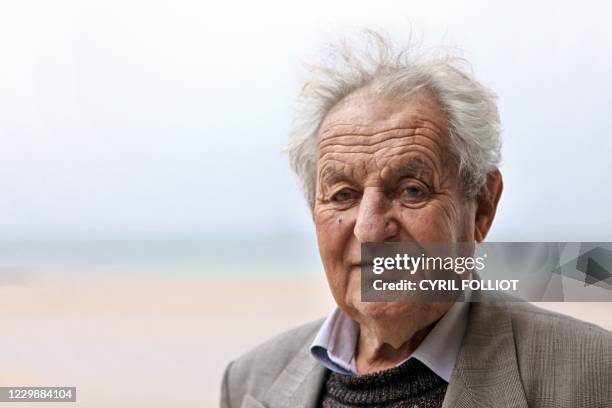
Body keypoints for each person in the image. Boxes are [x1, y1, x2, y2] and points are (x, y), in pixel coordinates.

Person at [220, 31, 612, 408]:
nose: (370, 228)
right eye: (343, 195)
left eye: (411, 190)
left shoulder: (593, 373)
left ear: (482, 207)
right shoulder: (249, 381)